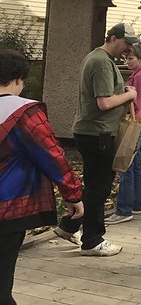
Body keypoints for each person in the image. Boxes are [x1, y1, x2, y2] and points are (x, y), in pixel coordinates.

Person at [0, 49, 84, 305]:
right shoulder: (24, 113)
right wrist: (73, 194)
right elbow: (50, 154)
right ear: (18, 79)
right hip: (9, 207)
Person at [54, 22, 139, 256]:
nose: (129, 49)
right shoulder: (101, 62)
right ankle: (92, 240)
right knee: (99, 187)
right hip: (98, 133)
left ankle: (69, 226)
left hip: (91, 131)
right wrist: (129, 95)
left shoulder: (98, 58)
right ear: (113, 38)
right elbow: (104, 102)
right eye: (126, 43)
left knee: (93, 184)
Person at [106, 43, 141, 225]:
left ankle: (124, 209)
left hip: (134, 123)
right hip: (140, 122)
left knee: (124, 164)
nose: (127, 61)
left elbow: (138, 103)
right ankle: (136, 204)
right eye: (126, 58)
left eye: (131, 58)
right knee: (134, 164)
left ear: (140, 59)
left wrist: (123, 98)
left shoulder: (140, 77)